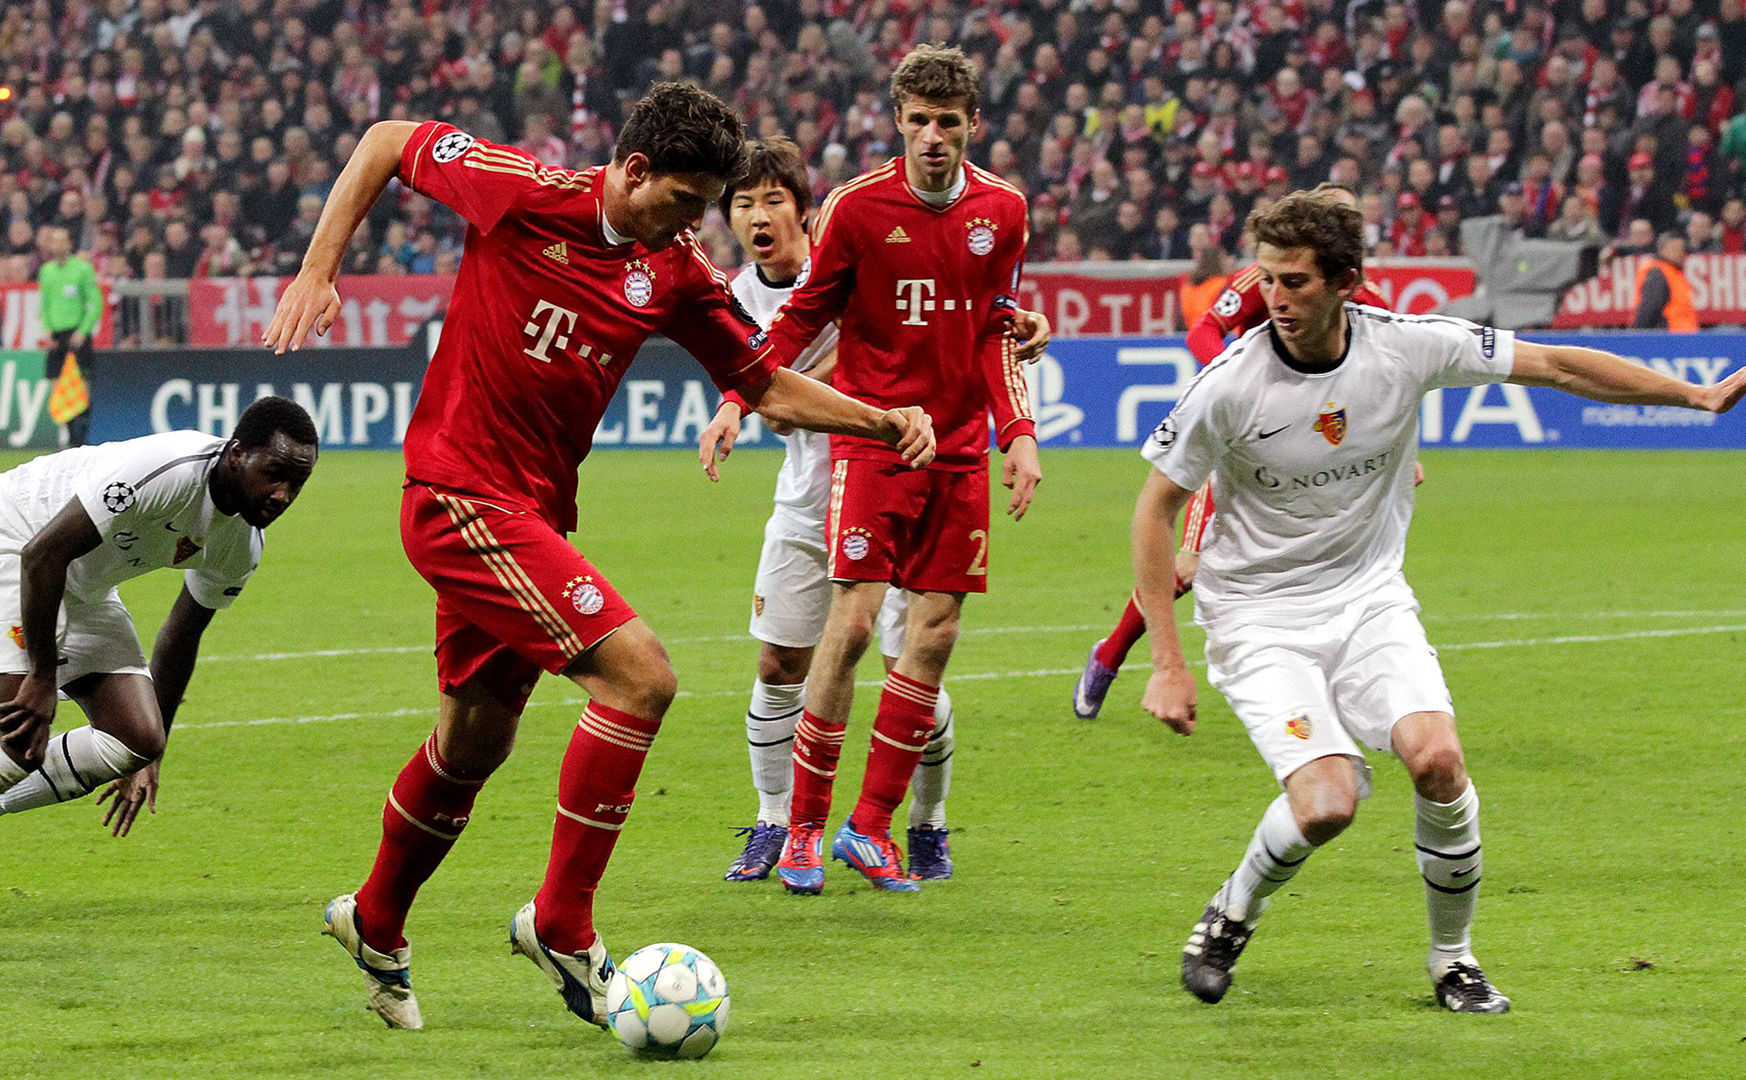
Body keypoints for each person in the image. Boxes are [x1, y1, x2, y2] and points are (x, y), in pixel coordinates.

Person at [262, 83, 939, 1032]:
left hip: (530, 516)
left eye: (706, 207)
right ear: (632, 171)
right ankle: (563, 924)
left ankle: (375, 921)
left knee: (472, 744)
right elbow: (384, 139)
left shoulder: (675, 273)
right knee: (641, 678)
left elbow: (765, 385)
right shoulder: (522, 190)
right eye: (684, 201)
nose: (696, 225)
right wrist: (317, 269)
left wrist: (879, 417)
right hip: (458, 498)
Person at [1130, 190, 1745, 1012]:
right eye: (1269, 279)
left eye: (1297, 282)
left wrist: (1694, 395)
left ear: (1347, 281)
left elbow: (1559, 365)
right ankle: (1231, 911)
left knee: (1437, 760)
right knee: (1326, 806)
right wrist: (1168, 664)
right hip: (1260, 616)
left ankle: (1453, 959)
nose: (1275, 298)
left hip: (1369, 599)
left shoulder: (1408, 348)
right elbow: (1153, 509)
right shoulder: (1231, 384)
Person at [699, 45, 1039, 897]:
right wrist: (741, 396)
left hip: (958, 446)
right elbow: (805, 314)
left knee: (934, 638)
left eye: (947, 122)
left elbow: (997, 325)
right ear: (897, 122)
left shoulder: (1005, 211)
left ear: (971, 126)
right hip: (876, 436)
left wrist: (1019, 433)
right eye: (918, 121)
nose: (932, 137)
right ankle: (802, 830)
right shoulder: (857, 209)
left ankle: (875, 829)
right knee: (847, 629)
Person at [0, 398, 319, 935]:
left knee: (136, 736)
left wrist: (152, 751)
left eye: (297, 485)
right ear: (236, 454)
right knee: (17, 739)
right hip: (13, 537)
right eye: (274, 475)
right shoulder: (170, 470)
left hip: (82, 579)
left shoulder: (242, 546)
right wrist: (43, 676)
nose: (283, 495)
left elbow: (182, 635)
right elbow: (42, 554)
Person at [1076, 184, 1399, 718]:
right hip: (1243, 446)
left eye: (1352, 218)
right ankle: (1110, 656)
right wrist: (1236, 386)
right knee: (1188, 565)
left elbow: (1387, 391)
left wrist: (1400, 455)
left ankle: (1322, 680)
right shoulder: (1266, 280)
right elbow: (1206, 330)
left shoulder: (1369, 304)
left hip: (1316, 461)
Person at [37, 226, 105, 448]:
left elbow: (95, 303)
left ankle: (81, 439)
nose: (56, 246)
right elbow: (44, 304)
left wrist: (83, 331)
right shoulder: (46, 271)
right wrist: (47, 329)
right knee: (58, 389)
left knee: (82, 389)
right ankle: (70, 439)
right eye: (53, 241)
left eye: (60, 241)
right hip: (57, 336)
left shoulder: (83, 269)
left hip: (77, 334)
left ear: (69, 244)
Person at [1632, 231, 1699, 331]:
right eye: (1675, 249)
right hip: (1669, 339)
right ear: (1662, 250)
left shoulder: (1674, 273)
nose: (1681, 253)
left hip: (1682, 337)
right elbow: (1649, 310)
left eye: (1682, 249)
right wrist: (1639, 338)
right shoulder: (1658, 274)